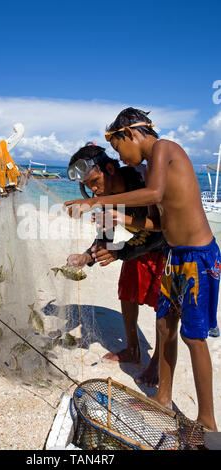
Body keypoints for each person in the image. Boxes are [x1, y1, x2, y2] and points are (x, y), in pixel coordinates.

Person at [65, 107, 220, 431]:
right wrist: (91, 255)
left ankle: (207, 421)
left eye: (120, 150)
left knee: (194, 338)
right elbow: (153, 221)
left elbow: (155, 196)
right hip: (176, 256)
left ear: (130, 133)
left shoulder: (163, 150)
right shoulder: (148, 167)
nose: (122, 159)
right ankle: (163, 398)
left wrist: (99, 206)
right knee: (164, 327)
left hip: (197, 256)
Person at [66, 143, 166, 386]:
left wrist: (121, 252)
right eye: (87, 187)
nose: (93, 190)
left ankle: (159, 362)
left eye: (95, 182)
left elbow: (160, 231)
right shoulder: (104, 197)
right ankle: (133, 350)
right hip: (138, 246)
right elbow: (105, 236)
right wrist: (87, 257)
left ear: (110, 168)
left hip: (167, 247)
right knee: (127, 293)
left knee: (164, 308)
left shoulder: (142, 183)